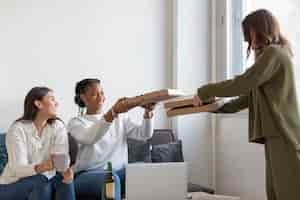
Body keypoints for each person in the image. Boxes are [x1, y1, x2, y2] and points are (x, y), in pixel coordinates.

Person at [194, 9, 300, 200]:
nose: (247, 41)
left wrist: (205, 91)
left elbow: (243, 83)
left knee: (287, 193)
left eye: (248, 34)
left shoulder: (274, 54)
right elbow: (248, 97)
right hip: (275, 135)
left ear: (260, 29)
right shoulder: (269, 56)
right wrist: (216, 108)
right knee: (275, 193)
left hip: (284, 134)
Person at [68, 78, 155, 199]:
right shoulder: (76, 123)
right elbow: (91, 137)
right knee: (110, 178)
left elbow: (144, 134)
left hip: (119, 172)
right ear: (83, 97)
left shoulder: (120, 118)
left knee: (145, 170)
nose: (100, 97)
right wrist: (113, 112)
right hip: (86, 175)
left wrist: (148, 112)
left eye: (102, 93)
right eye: (94, 94)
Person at [0, 87, 76, 200]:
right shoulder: (18, 129)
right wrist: (41, 167)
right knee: (39, 180)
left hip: (45, 180)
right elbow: (17, 169)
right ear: (38, 104)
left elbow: (61, 159)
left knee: (64, 180)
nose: (57, 103)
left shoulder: (58, 126)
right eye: (52, 99)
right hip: (12, 185)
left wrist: (65, 171)